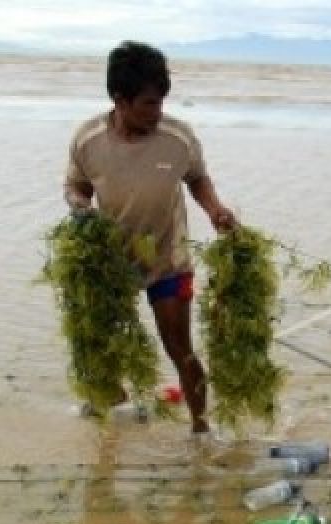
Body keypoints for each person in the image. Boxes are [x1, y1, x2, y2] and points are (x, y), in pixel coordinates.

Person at [63, 40, 236, 438]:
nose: (157, 113)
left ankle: (201, 428)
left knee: (180, 346)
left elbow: (197, 178)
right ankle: (111, 416)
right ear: (119, 100)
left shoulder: (177, 137)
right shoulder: (89, 139)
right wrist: (79, 208)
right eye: (147, 104)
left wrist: (215, 211)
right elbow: (75, 186)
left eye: (160, 102)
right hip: (110, 262)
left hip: (167, 260)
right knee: (102, 345)